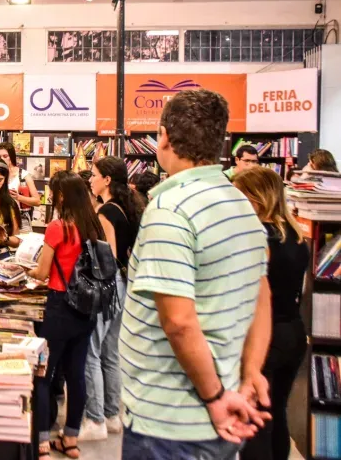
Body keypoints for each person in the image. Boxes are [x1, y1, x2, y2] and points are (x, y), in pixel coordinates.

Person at [119, 89, 271, 460]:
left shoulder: (170, 209)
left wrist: (216, 398)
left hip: (169, 420)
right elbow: (260, 293)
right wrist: (251, 370)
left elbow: (178, 322)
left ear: (164, 136)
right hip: (218, 405)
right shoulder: (240, 203)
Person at [234, 167, 310, 460]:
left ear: (255, 199)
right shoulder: (296, 235)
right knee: (277, 411)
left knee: (255, 419)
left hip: (264, 335)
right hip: (293, 329)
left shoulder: (258, 237)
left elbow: (250, 290)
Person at [28, 171, 105, 459]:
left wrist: (27, 269)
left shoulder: (57, 227)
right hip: (86, 309)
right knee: (76, 374)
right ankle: (70, 439)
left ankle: (43, 443)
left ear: (60, 196)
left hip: (59, 305)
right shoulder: (94, 225)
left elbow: (44, 272)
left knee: (44, 374)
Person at [78, 157, 143, 441]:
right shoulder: (127, 208)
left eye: (94, 175)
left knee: (90, 351)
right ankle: (112, 414)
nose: (90, 180)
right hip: (123, 284)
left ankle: (94, 420)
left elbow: (106, 256)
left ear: (107, 180)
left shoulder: (105, 211)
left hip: (106, 283)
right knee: (111, 352)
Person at [0, 142, 40, 230]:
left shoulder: (23, 175)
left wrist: (18, 197)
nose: (1, 159)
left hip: (21, 217)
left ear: (11, 157)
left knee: (24, 242)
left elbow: (37, 201)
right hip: (0, 216)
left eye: (5, 156)